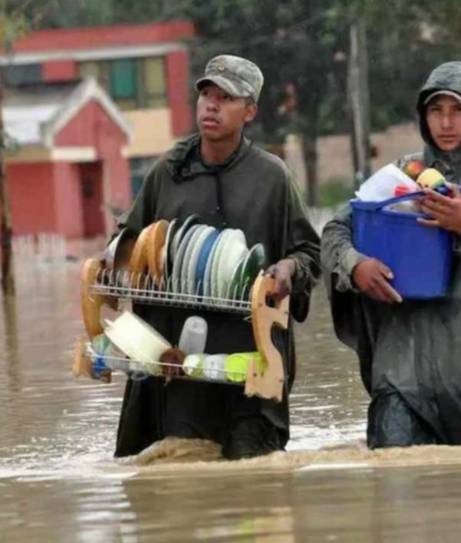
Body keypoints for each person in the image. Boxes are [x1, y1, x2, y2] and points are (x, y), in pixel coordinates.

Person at [321, 61, 461, 448]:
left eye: (458, 110)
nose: (446, 122)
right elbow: (335, 230)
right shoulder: (401, 175)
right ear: (423, 116)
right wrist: (355, 265)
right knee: (396, 481)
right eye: (436, 110)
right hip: (402, 371)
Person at [114, 55, 321, 460]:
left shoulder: (272, 178)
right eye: (207, 95)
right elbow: (128, 246)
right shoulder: (168, 172)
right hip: (178, 369)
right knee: (178, 473)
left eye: (226, 98)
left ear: (249, 111)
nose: (211, 105)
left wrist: (289, 269)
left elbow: (309, 252)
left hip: (250, 362)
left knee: (252, 476)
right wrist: (116, 262)